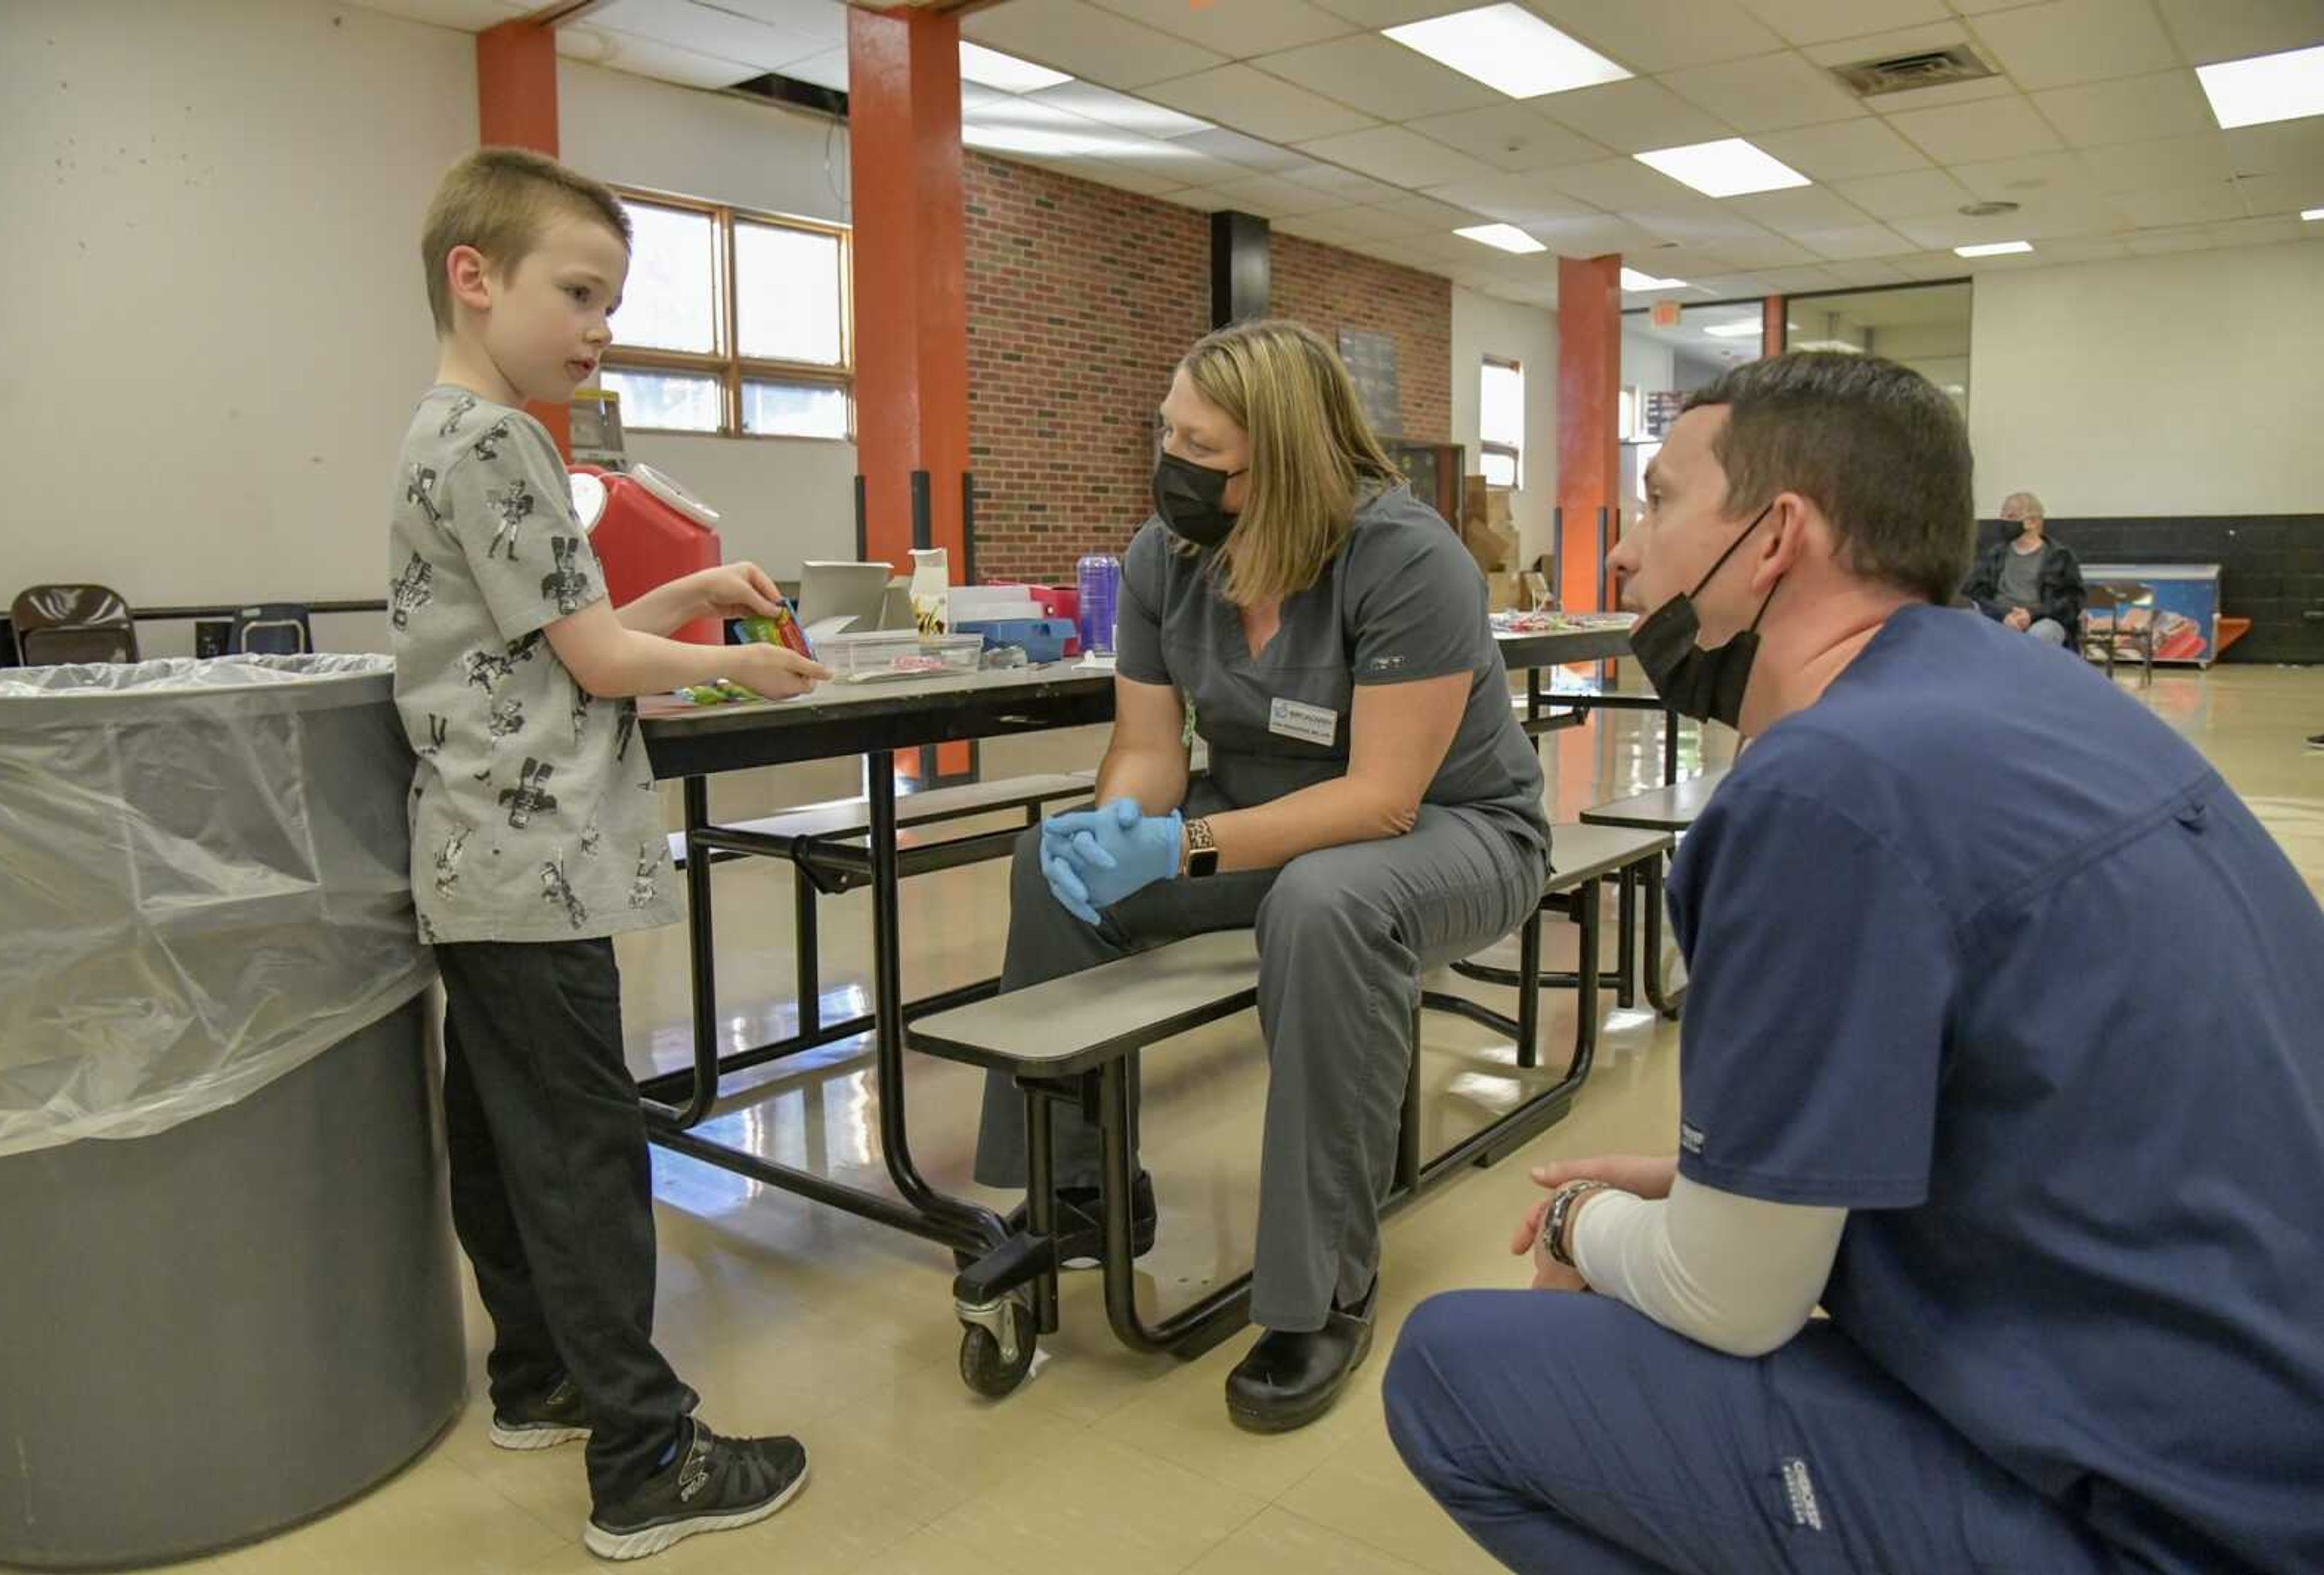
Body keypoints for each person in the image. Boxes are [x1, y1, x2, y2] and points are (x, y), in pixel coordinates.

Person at [1383, 352, 2324, 1574]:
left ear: (1775, 536)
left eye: (1660, 500)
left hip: (2177, 1524)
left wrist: (1580, 1217)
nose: (1623, 556)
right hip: (2266, 1427)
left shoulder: (1827, 785)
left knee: (1452, 1376)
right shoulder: (2033, 692)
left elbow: (1736, 1296)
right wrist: (1723, 1179)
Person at [971, 318, 1550, 1432]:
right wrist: (1116, 828)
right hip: (1257, 817)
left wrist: (1184, 845)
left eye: (1203, 443)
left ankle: (1321, 1281)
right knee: (1050, 869)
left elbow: (1382, 797)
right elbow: (1147, 747)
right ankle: (1082, 1188)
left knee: (1326, 901)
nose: (1172, 461)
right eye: (1167, 431)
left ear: (1281, 454)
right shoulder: (1166, 559)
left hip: (1453, 827)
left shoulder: (1404, 556)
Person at [390, 147, 827, 1561]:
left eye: (613, 300)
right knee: (581, 1151)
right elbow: (595, 659)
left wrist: (689, 591)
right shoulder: (510, 444)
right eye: (578, 292)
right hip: (539, 871)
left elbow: (541, 631)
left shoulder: (443, 436)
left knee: (502, 1134)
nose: (600, 326)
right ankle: (645, 1457)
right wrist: (729, 674)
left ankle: (540, 1375)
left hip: (471, 863)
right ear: (475, 278)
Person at [1961, 489, 2084, 647]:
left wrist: (2031, 615)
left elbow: (2072, 602)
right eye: (2003, 515)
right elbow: (1974, 593)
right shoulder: (1995, 555)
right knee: (1969, 622)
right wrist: (2002, 616)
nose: (2004, 521)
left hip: (2041, 620)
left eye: (2011, 517)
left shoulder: (2060, 557)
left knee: (2040, 634)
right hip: (1998, 616)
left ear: (2033, 522)